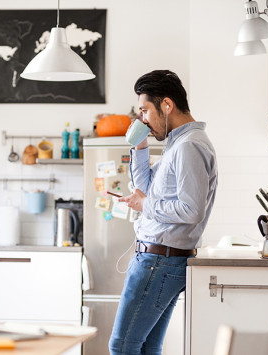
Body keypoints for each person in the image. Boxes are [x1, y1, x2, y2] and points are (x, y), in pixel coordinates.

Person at [109, 70, 218, 355]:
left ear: (166, 106)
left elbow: (191, 210)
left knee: (121, 347)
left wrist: (145, 206)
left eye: (145, 111)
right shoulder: (178, 144)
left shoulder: (189, 146)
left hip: (159, 261)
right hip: (160, 259)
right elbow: (145, 187)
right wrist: (140, 146)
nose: (143, 119)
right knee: (146, 347)